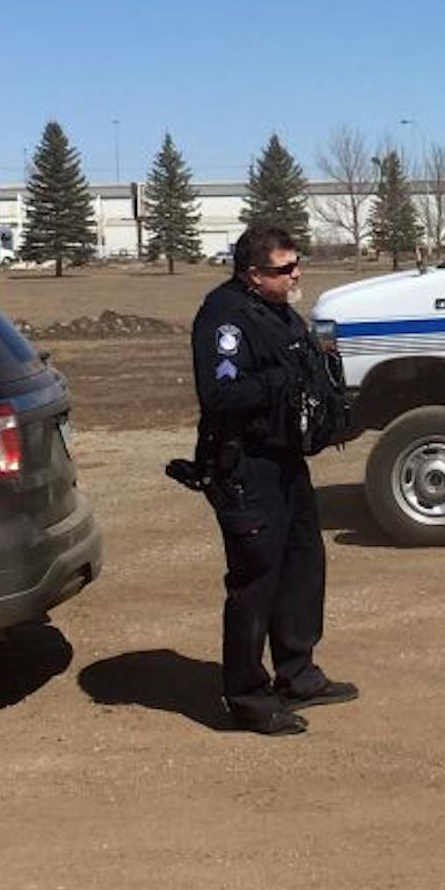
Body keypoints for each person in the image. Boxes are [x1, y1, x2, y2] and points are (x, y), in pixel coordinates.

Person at [189, 224, 357, 736]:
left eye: (296, 264)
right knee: (255, 580)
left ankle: (297, 674)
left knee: (303, 565)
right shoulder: (225, 318)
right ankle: (247, 698)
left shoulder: (279, 311)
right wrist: (282, 380)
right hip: (246, 465)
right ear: (253, 274)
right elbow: (220, 395)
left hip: (285, 460)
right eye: (285, 269)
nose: (296, 274)